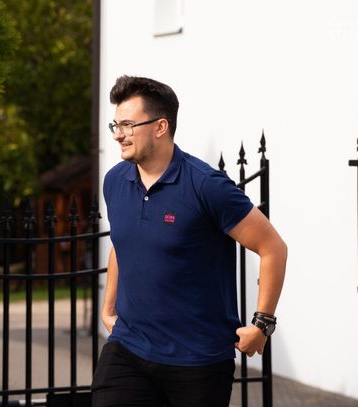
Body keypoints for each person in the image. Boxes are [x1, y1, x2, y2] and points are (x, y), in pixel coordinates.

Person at [91, 76, 287, 407]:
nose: (118, 134)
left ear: (160, 126)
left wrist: (262, 323)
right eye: (116, 125)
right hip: (128, 348)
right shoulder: (115, 181)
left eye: (128, 125)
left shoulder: (206, 186)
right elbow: (122, 244)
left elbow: (273, 248)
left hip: (198, 361)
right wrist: (108, 308)